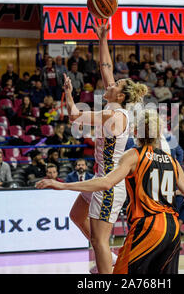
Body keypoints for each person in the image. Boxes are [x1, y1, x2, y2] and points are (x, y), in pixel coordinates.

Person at [36, 109, 184, 274]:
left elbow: (106, 182)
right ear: (159, 133)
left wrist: (63, 186)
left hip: (147, 227)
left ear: (136, 132)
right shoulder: (173, 162)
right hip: (172, 230)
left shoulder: (134, 155)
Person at [60, 21, 147, 274]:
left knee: (98, 240)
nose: (109, 84)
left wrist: (68, 93)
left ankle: (107, 269)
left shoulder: (114, 116)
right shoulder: (114, 105)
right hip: (100, 177)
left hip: (109, 184)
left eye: (114, 85)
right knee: (77, 216)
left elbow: (75, 115)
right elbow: (105, 67)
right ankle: (108, 258)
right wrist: (102, 38)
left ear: (120, 95)